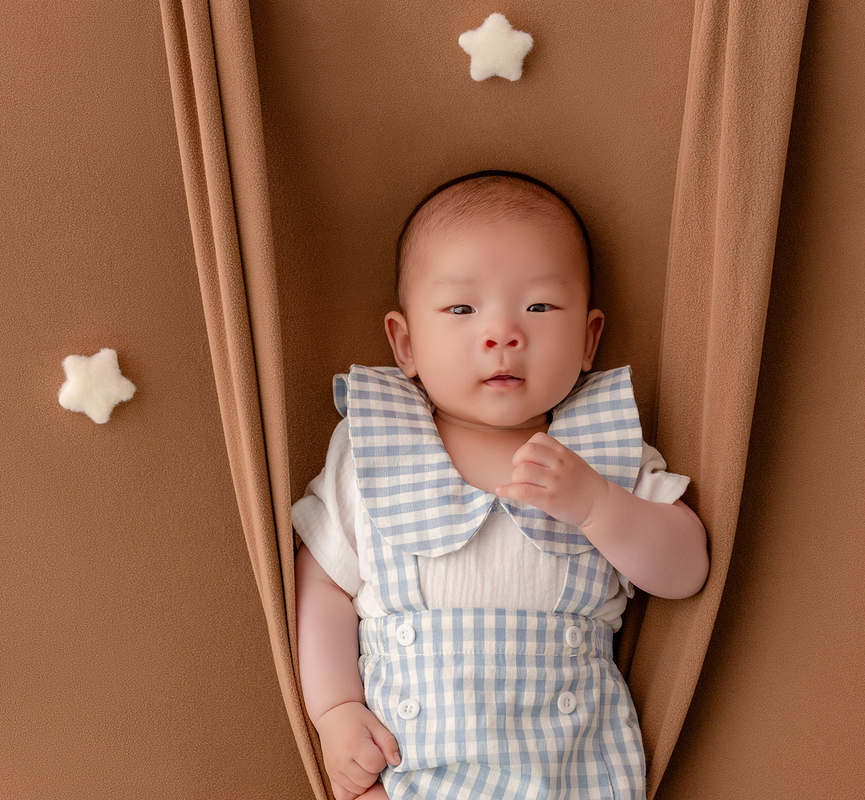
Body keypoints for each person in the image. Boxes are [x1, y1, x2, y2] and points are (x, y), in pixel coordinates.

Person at [292, 171, 709, 800]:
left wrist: (596, 505)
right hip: (408, 768)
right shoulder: (373, 449)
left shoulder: (604, 452)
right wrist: (333, 711)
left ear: (590, 338)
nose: (503, 333)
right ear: (405, 344)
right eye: (461, 309)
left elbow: (686, 571)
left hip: (570, 768)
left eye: (539, 307)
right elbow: (322, 581)